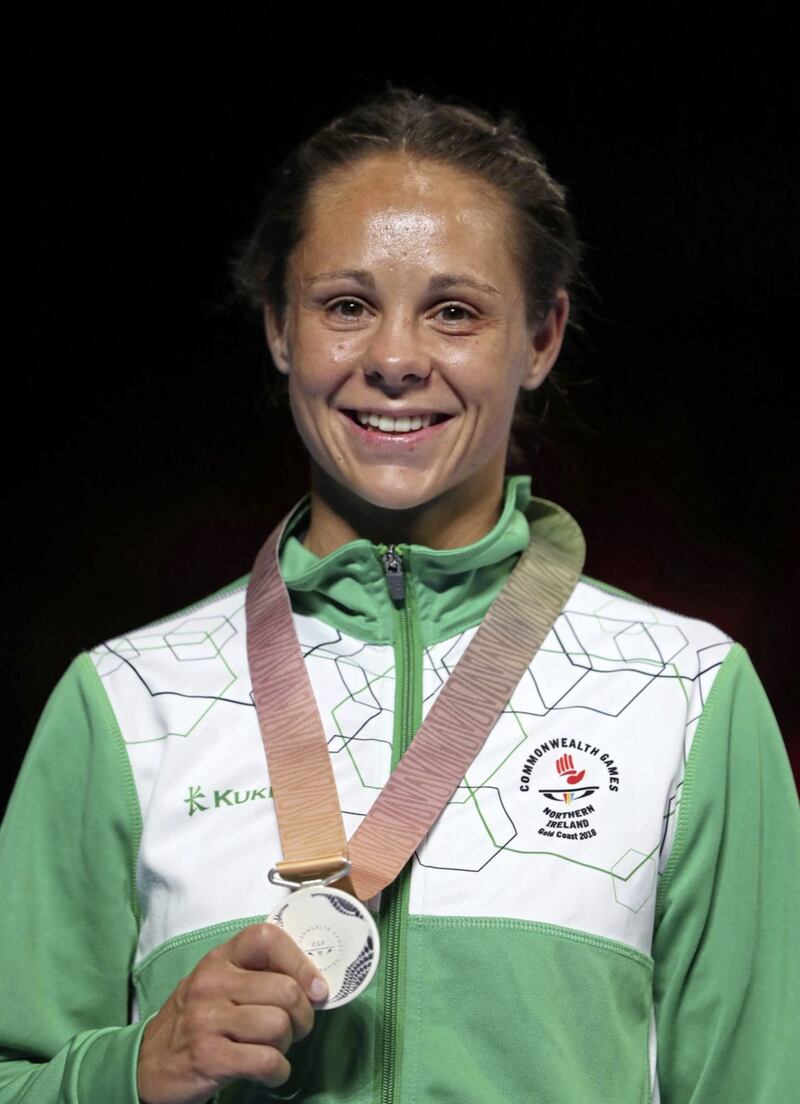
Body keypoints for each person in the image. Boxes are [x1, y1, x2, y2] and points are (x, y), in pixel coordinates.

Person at [1, 84, 798, 1104]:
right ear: (279, 328)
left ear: (542, 337)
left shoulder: (685, 697)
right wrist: (123, 1071)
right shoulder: (126, 704)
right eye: (345, 306)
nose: (391, 359)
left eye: (454, 312)